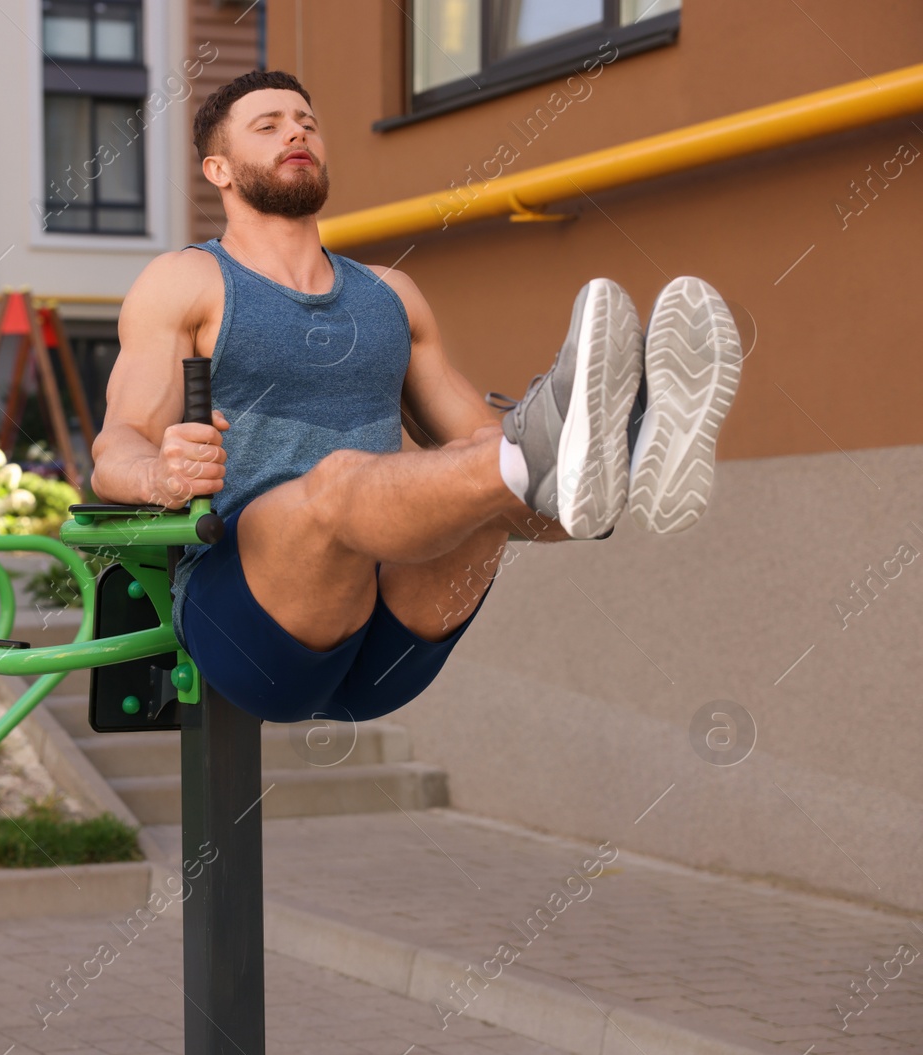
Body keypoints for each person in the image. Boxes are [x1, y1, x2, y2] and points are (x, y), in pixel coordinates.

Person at [87, 70, 741, 725]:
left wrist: (522, 453)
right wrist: (159, 472)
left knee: (488, 465)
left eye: (307, 123)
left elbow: (477, 446)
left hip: (388, 651)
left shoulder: (390, 294)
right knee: (345, 481)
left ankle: (623, 459)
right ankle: (589, 445)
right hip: (249, 632)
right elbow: (114, 449)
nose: (296, 132)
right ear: (219, 170)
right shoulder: (186, 280)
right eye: (269, 125)